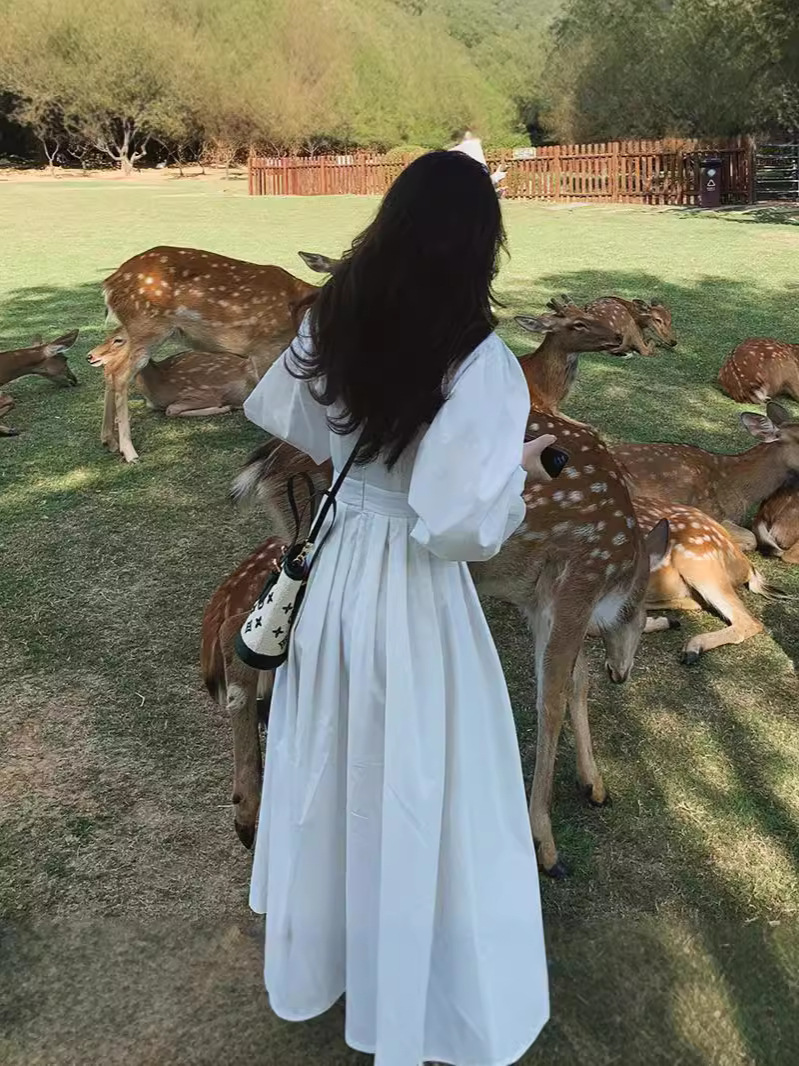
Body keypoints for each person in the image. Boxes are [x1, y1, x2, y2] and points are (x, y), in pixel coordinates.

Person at [243, 150, 551, 1066]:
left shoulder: (333, 316)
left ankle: (337, 953)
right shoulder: (479, 361)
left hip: (338, 569)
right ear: (479, 244)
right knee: (419, 775)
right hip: (414, 592)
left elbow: (299, 421)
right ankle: (418, 976)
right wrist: (515, 480)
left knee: (335, 756)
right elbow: (457, 525)